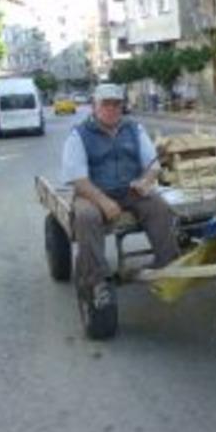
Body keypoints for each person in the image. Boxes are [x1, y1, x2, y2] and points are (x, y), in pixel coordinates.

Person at [61, 83, 179, 314]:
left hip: (129, 190)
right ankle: (96, 282)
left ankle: (167, 266)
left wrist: (145, 182)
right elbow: (77, 178)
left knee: (160, 209)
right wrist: (103, 201)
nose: (112, 109)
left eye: (116, 104)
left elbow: (152, 165)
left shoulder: (134, 128)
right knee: (86, 217)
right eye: (106, 104)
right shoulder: (79, 134)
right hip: (92, 192)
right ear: (94, 106)